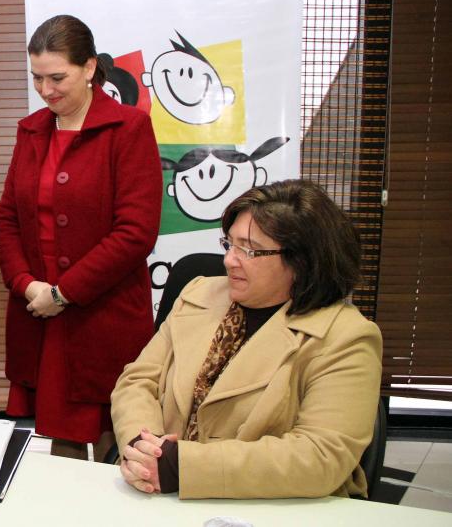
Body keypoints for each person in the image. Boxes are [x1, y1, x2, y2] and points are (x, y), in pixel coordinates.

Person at [111, 179, 383, 499]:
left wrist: (183, 467)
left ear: (303, 262)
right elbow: (139, 380)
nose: (229, 260)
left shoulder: (347, 338)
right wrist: (142, 446)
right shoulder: (198, 293)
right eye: (229, 244)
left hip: (276, 508)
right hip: (158, 493)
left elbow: (320, 455)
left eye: (249, 250)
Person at [0, 15, 163, 460]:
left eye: (57, 77)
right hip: (39, 313)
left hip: (101, 315)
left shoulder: (129, 128)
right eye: (36, 78)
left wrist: (64, 293)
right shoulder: (30, 130)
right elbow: (7, 218)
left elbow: (136, 232)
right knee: (58, 442)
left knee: (115, 440)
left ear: (89, 68)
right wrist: (25, 283)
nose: (46, 90)